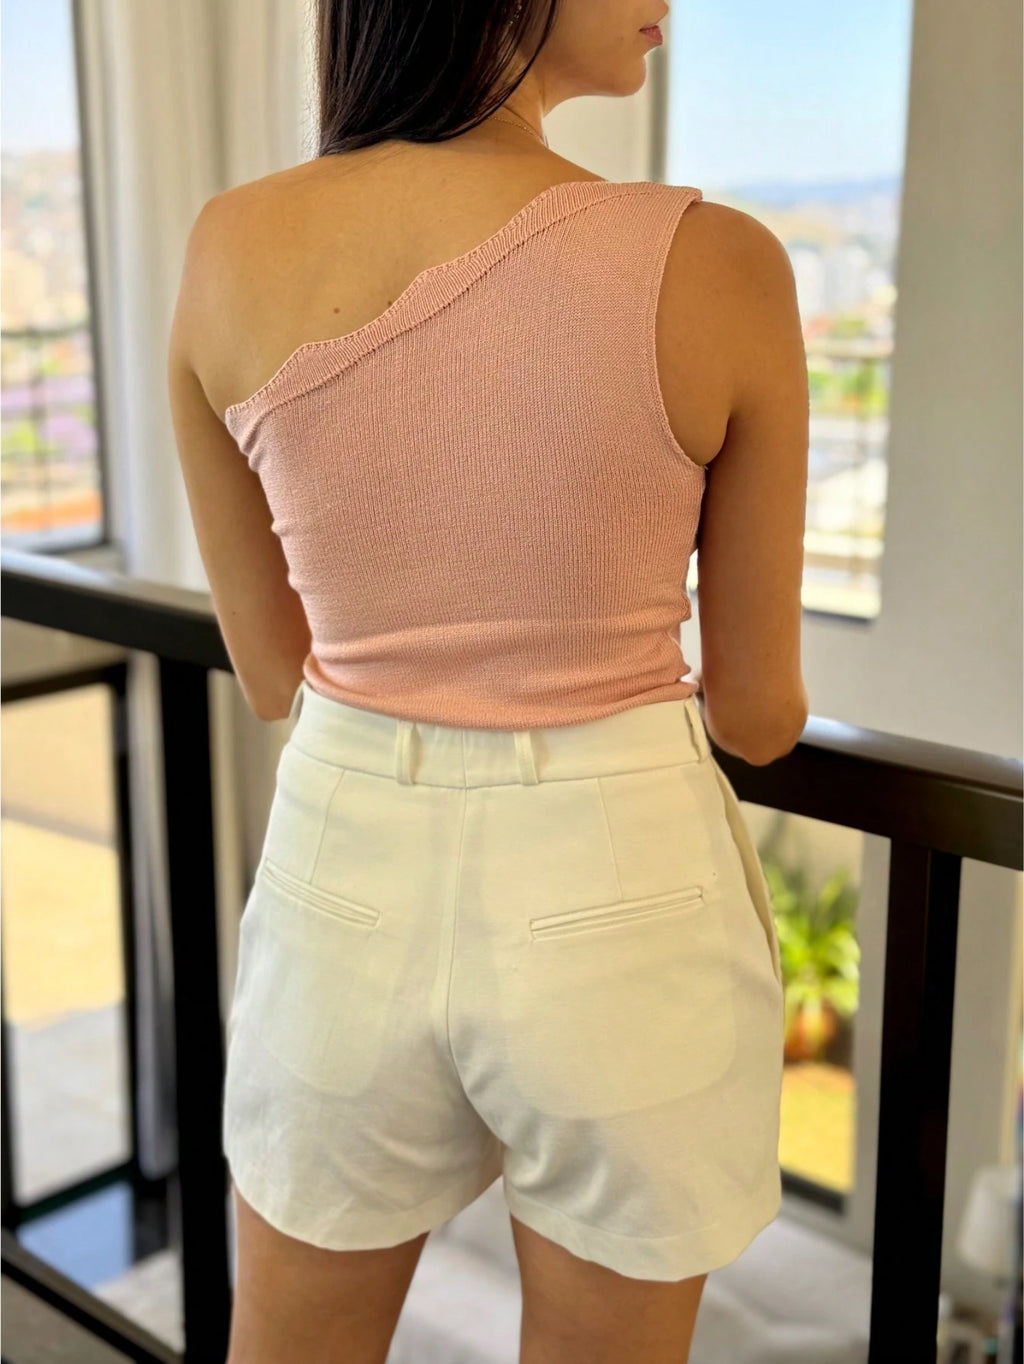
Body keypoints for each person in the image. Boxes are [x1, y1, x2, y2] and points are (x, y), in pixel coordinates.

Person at [167, 1, 810, 1360]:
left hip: (343, 869)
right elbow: (758, 715)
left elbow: (275, 671)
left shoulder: (229, 243)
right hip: (622, 881)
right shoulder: (719, 262)